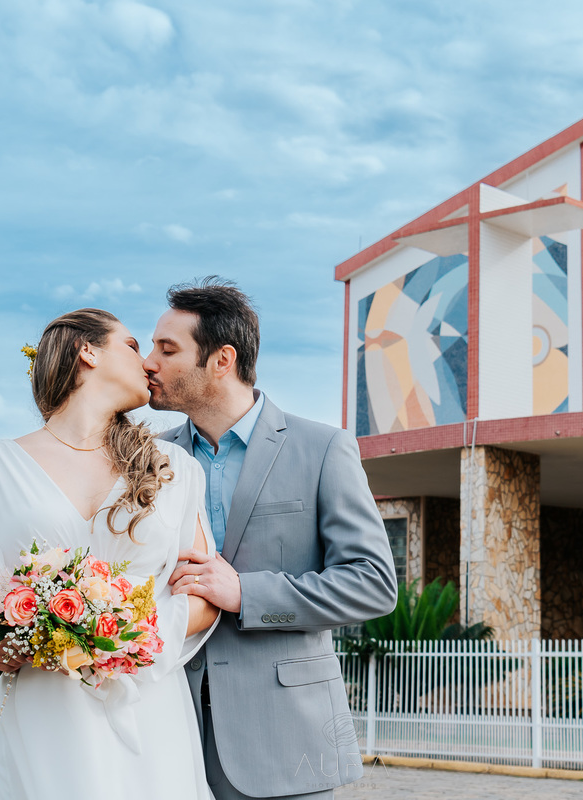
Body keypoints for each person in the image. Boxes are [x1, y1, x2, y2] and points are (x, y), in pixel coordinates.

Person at [0, 308, 220, 799]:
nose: (149, 363)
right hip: (46, 702)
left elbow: (204, 594)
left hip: (146, 700)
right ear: (87, 351)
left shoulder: (174, 468)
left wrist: (118, 636)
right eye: (132, 346)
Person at [144, 279, 398, 800]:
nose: (149, 363)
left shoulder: (322, 448)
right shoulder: (148, 459)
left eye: (167, 350)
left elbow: (373, 584)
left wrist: (247, 594)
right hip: (166, 735)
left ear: (222, 360)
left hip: (286, 742)